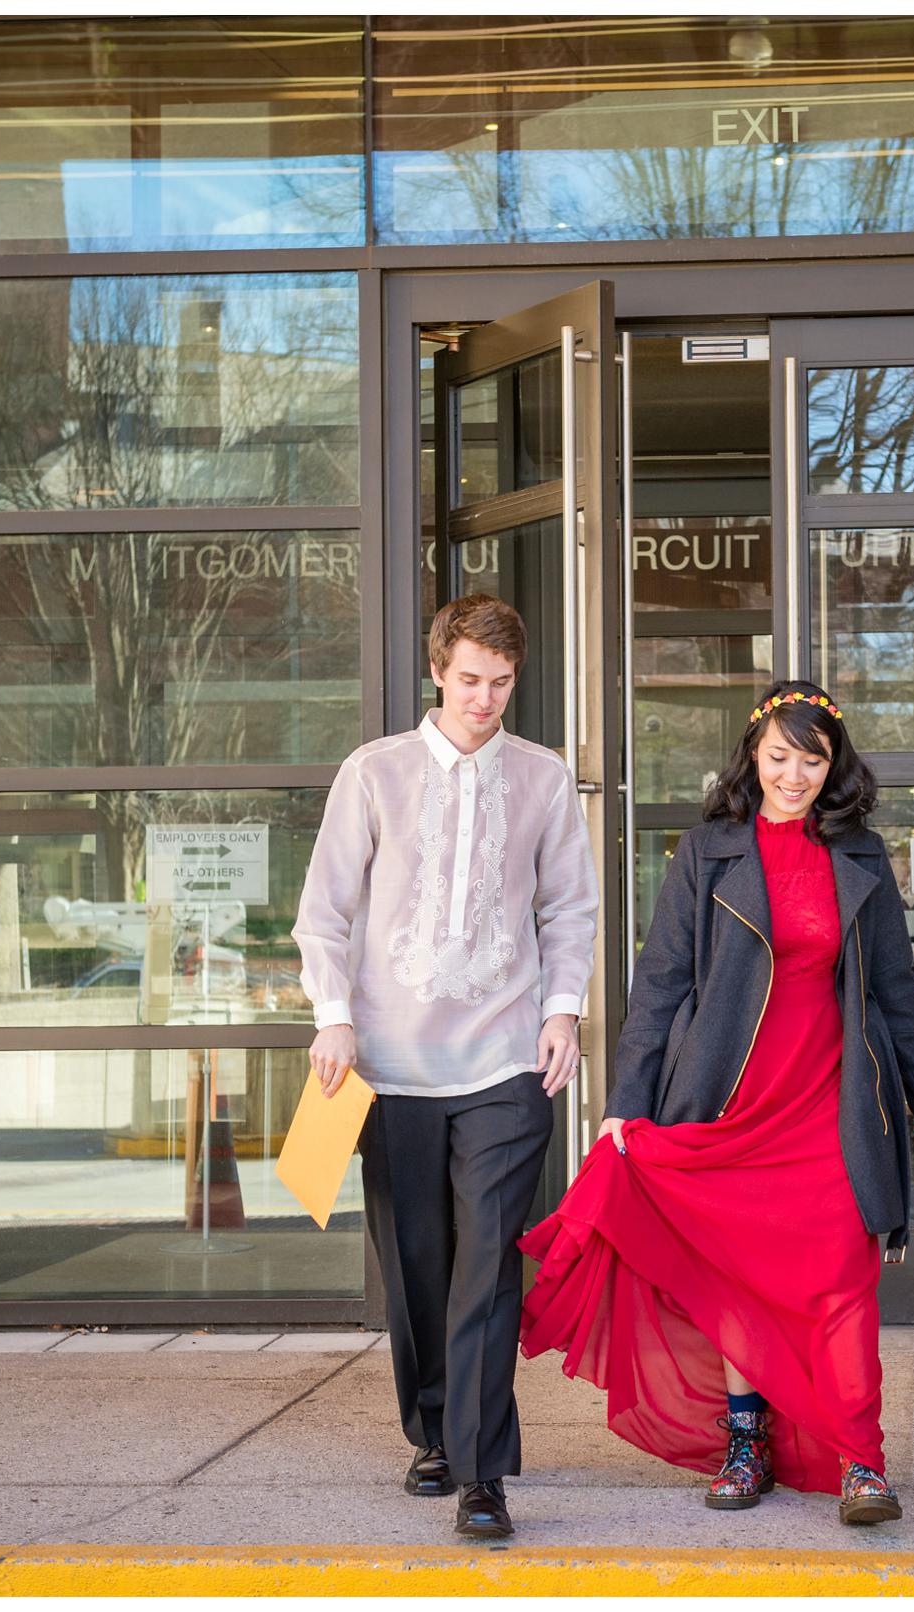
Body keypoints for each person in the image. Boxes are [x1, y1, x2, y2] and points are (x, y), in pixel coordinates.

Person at [518, 679, 914, 1526]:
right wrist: (629, 1101)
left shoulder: (859, 856)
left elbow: (898, 994)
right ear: (754, 756)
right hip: (729, 1106)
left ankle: (864, 1463)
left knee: (842, 1282)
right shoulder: (708, 850)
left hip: (830, 1108)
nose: (794, 774)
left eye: (812, 758)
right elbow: (661, 986)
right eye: (780, 755)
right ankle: (746, 1443)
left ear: (836, 766)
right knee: (739, 1284)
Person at [293, 593, 597, 1541]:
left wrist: (562, 1011)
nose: (486, 698)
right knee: (417, 1262)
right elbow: (325, 913)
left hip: (507, 1061)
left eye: (502, 683)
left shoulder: (543, 779)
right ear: (438, 671)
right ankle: (431, 1429)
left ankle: (480, 1471)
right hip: (388, 1063)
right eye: (471, 679)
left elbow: (569, 911)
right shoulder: (373, 773)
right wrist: (334, 1019)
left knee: (488, 1269)